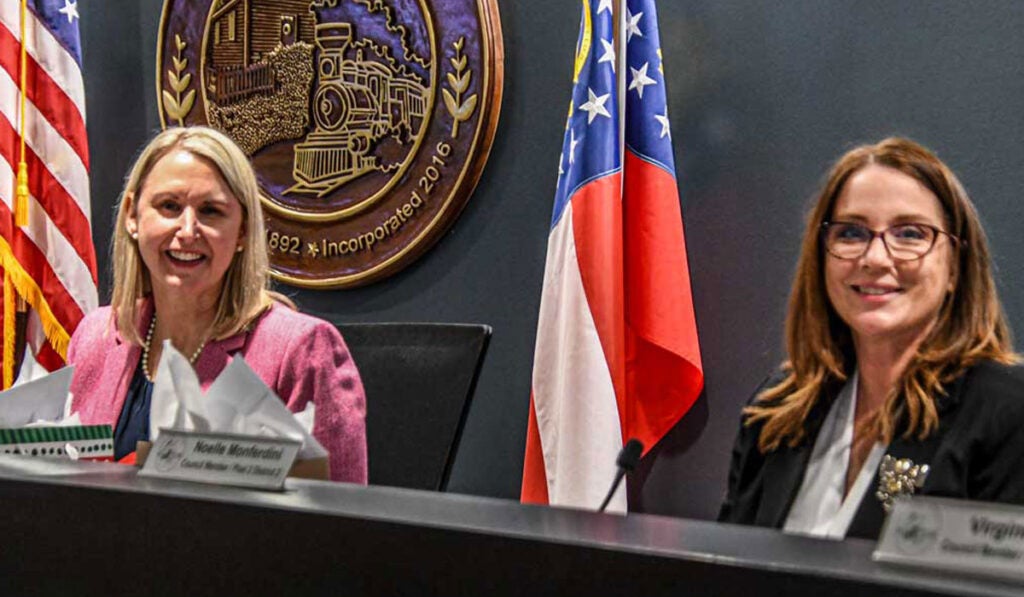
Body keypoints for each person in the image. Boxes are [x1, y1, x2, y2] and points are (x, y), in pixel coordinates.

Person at [719, 137, 1024, 540]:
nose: (876, 258)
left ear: (955, 267)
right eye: (851, 233)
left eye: (910, 234)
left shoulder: (1008, 411)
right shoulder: (775, 413)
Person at [67, 126, 367, 484]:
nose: (188, 230)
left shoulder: (300, 350)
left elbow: (339, 521)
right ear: (133, 215)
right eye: (169, 206)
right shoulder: (95, 337)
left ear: (241, 230)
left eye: (211, 211)